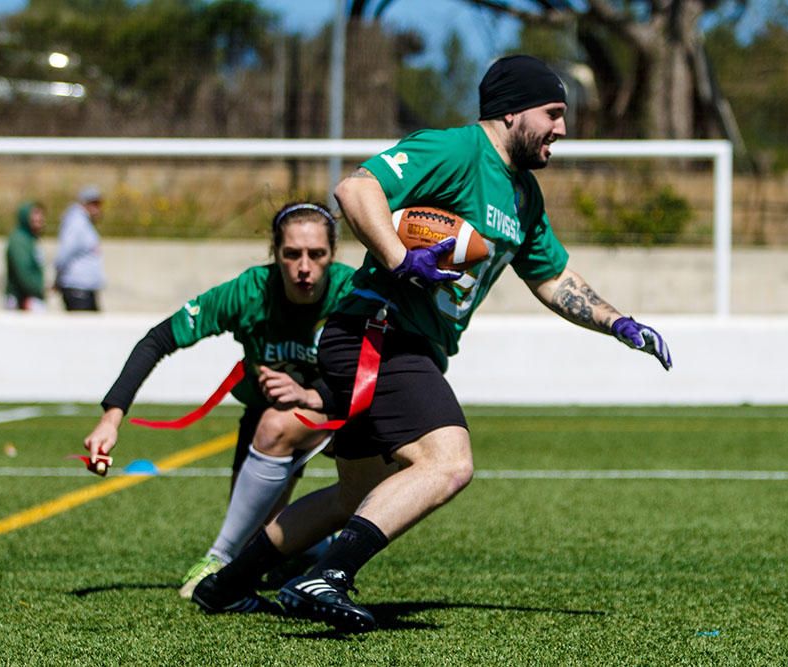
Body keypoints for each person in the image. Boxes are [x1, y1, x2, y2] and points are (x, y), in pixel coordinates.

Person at [192, 55, 673, 632]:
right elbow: (355, 188)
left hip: (388, 343)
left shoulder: (524, 198)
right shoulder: (454, 150)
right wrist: (400, 260)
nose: (562, 130)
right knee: (448, 462)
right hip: (379, 334)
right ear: (512, 111)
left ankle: (224, 586)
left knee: (355, 495)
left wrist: (618, 323)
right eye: (554, 114)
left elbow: (551, 278)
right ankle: (330, 575)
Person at [81, 202, 368, 601]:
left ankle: (218, 559)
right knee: (260, 533)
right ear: (275, 253)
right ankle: (312, 547)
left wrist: (312, 394)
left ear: (332, 255)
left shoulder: (353, 292)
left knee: (274, 429)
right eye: (292, 254)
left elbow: (381, 370)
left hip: (346, 414)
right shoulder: (248, 292)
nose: (304, 267)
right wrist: (111, 419)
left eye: (316, 255)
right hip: (267, 413)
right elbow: (158, 339)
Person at [55, 185, 105, 311]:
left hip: (86, 287)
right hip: (77, 287)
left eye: (98, 204)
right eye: (93, 204)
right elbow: (64, 252)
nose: (97, 208)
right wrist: (59, 277)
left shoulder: (85, 223)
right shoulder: (76, 223)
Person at [5, 201, 47, 312]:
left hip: (32, 297)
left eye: (40, 214)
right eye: (35, 214)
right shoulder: (19, 241)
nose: (39, 219)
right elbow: (23, 271)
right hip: (23, 299)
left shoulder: (31, 240)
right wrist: (33, 291)